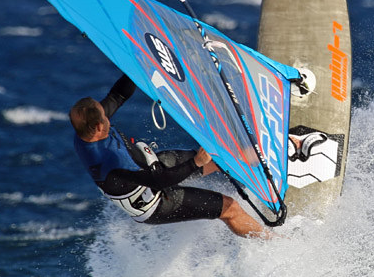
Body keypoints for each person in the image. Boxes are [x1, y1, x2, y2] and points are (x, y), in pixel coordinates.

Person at [70, 74, 267, 238]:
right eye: (105, 117)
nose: (108, 116)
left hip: (151, 166)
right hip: (155, 202)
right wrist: (195, 163)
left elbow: (117, 96)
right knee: (229, 208)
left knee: (221, 157)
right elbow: (159, 182)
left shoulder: (85, 131)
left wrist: (137, 67)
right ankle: (276, 242)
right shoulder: (111, 160)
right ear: (98, 127)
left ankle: (271, 156)